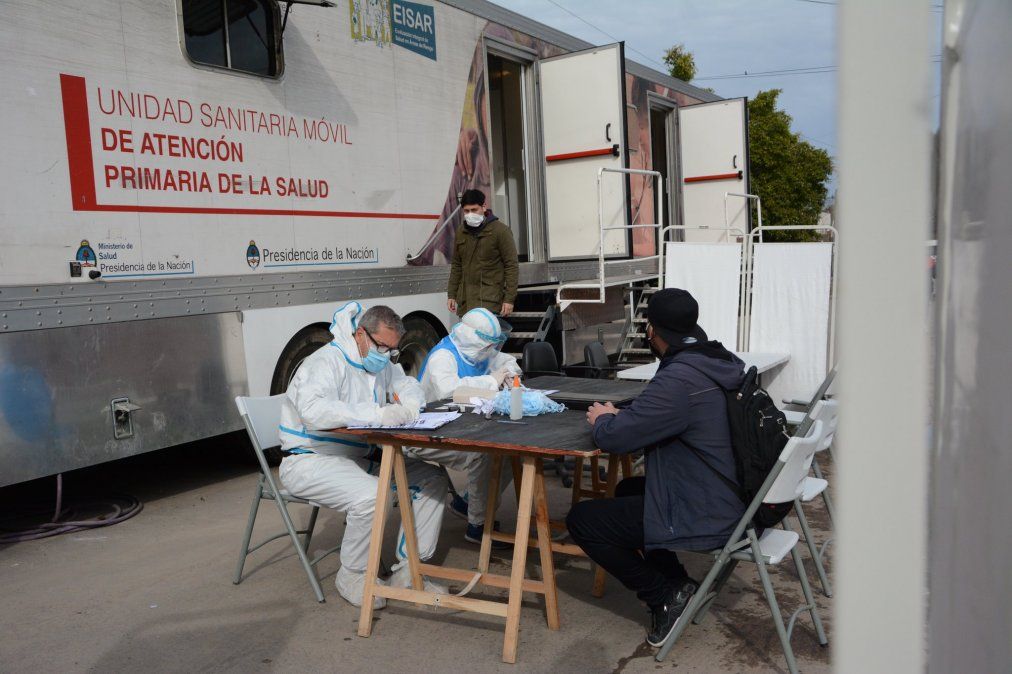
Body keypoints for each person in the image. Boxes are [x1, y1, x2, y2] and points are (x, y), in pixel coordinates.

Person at [565, 288, 747, 648]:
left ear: (652, 331)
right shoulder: (717, 360)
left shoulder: (679, 378)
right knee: (630, 489)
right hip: (734, 495)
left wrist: (603, 420)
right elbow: (667, 415)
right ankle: (678, 582)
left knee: (583, 521)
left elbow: (617, 440)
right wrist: (631, 417)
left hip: (710, 513)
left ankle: (662, 593)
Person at [277, 302, 448, 609]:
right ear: (360, 334)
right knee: (372, 496)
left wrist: (408, 405)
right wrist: (378, 413)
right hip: (309, 459)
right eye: (383, 347)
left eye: (393, 350)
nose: (387, 356)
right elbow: (315, 412)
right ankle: (353, 575)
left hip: (356, 457)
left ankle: (409, 571)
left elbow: (407, 384)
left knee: (432, 479)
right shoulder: (325, 362)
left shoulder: (380, 361)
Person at [409, 308, 521, 544]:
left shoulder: (477, 352)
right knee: (484, 454)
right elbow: (450, 392)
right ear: (473, 339)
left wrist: (510, 373)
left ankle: (468, 502)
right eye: (487, 347)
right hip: (426, 433)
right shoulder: (444, 357)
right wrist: (492, 380)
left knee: (515, 452)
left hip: (463, 426)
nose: (490, 352)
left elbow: (505, 360)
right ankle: (478, 526)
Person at [446, 189, 519, 318]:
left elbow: (511, 265)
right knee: (467, 338)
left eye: (474, 210)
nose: (470, 214)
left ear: (484, 207)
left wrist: (509, 299)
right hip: (466, 303)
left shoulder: (500, 231)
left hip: (490, 302)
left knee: (486, 338)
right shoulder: (461, 232)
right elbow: (457, 265)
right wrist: (451, 294)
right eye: (466, 211)